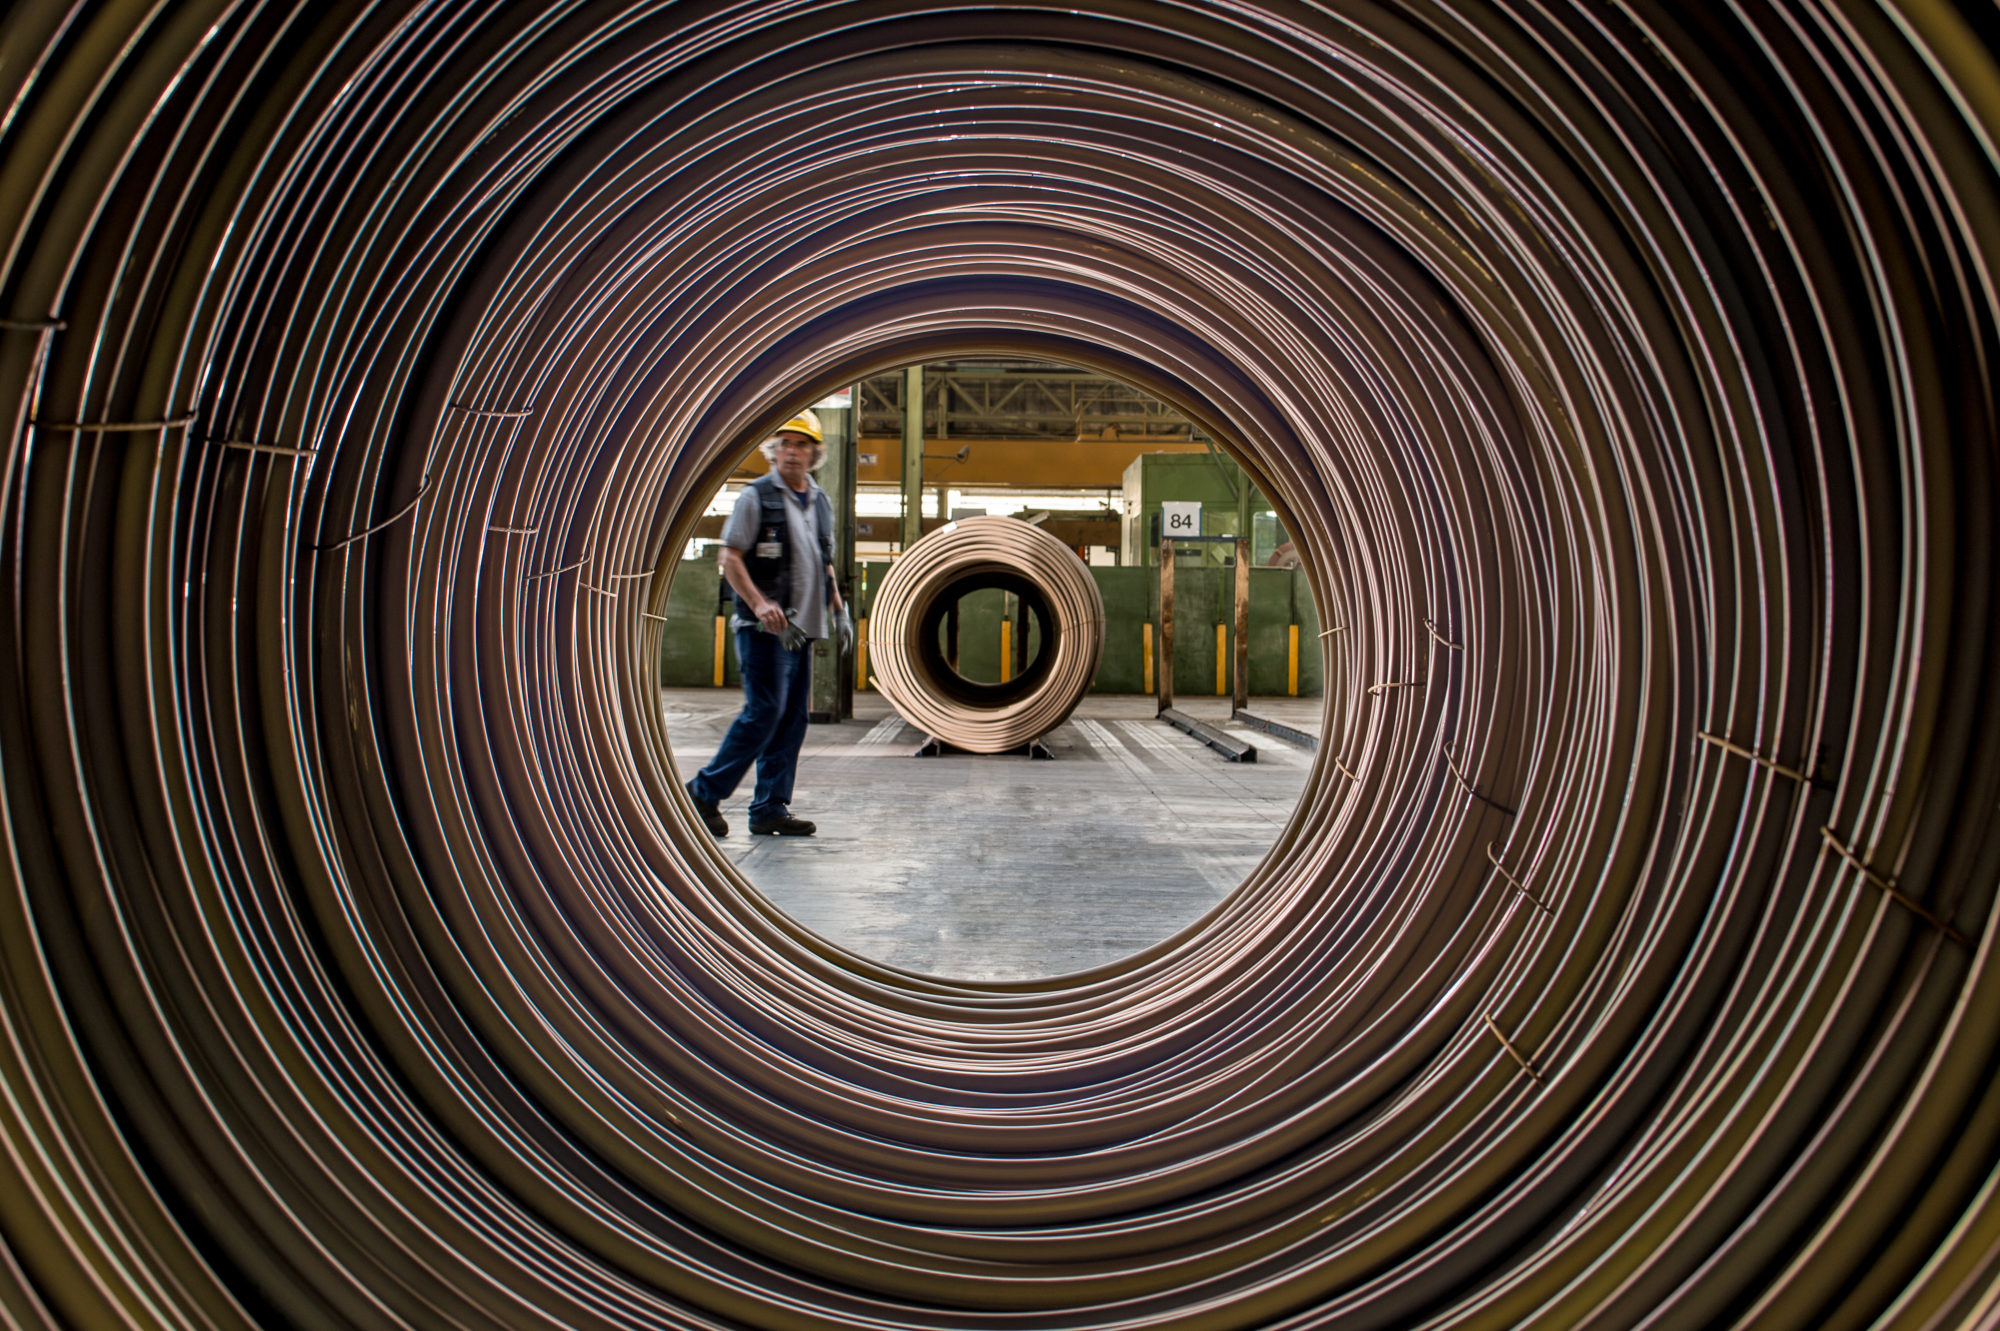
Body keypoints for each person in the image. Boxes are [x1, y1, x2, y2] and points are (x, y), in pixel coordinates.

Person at [685, 410, 852, 837]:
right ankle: (702, 794)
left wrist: (838, 608)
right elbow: (731, 558)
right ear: (772, 451)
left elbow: (824, 562)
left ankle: (769, 807)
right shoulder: (755, 497)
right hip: (764, 630)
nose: (791, 452)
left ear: (815, 454)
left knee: (793, 719)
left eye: (801, 445)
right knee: (765, 712)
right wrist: (759, 605)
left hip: (802, 630)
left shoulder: (821, 501)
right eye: (784, 444)